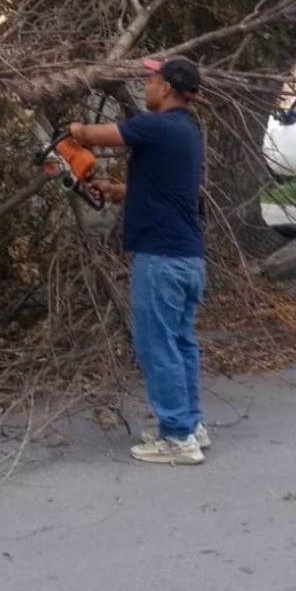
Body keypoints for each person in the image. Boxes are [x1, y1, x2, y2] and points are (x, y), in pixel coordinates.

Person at [67, 57, 208, 466]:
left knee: (156, 345)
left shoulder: (157, 125)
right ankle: (190, 425)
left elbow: (96, 134)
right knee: (180, 343)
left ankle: (177, 439)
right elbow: (167, 189)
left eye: (150, 80)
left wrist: (75, 131)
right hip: (188, 258)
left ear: (165, 88)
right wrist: (122, 190)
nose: (145, 86)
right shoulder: (186, 131)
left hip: (161, 258)